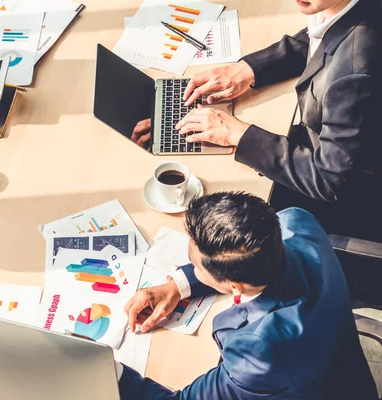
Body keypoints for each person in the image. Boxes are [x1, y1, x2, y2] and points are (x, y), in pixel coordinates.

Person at [120, 192, 377, 399]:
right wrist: (178, 285)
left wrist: (112, 372)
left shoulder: (260, 351)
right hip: (345, 372)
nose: (192, 269)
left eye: (195, 267)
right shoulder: (296, 222)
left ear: (235, 286)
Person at [176, 0, 382, 242]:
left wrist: (240, 135)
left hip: (346, 199)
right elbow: (322, 37)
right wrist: (248, 69)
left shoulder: (356, 68)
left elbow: (330, 179)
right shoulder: (348, 8)